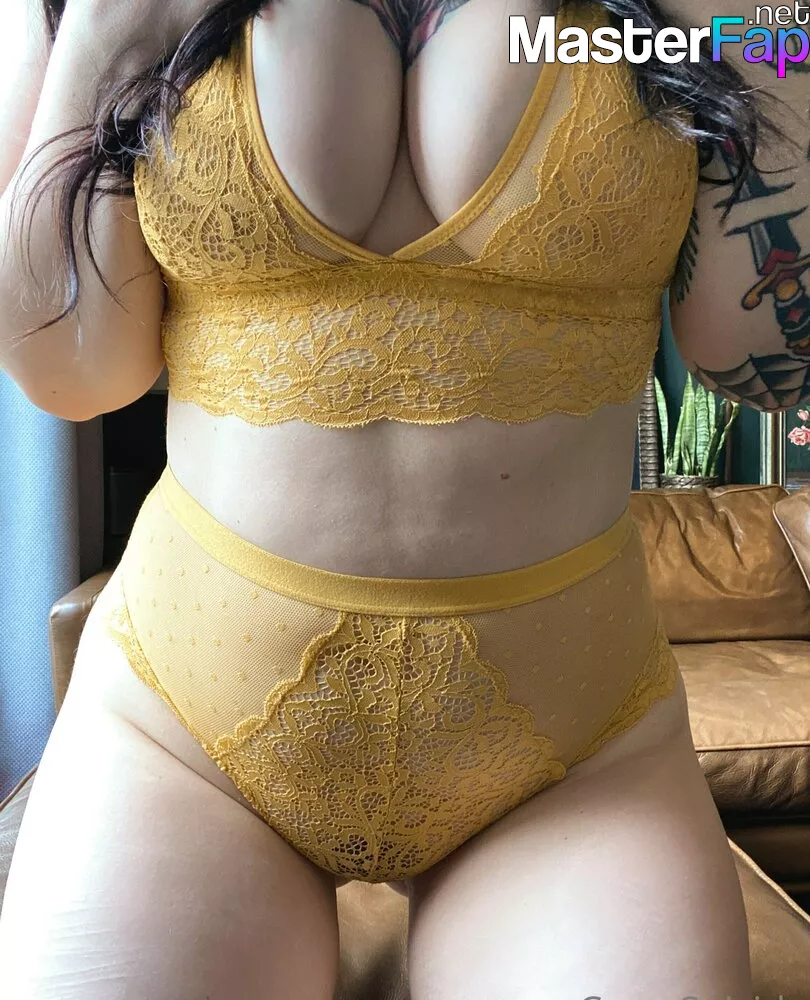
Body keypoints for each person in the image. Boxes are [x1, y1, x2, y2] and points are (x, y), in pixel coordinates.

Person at [0, 0, 805, 995]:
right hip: (183, 734)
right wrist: (108, 25)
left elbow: (765, 363)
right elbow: (70, 373)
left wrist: (756, 29)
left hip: (575, 756)